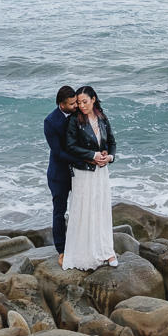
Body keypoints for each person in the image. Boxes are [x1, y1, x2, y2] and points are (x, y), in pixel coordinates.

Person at [61, 85, 118, 269]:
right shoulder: (73, 121)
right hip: (83, 172)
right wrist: (92, 155)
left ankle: (107, 252)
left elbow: (111, 142)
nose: (82, 105)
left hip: (102, 171)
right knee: (84, 210)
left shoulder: (102, 117)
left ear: (93, 99)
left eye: (85, 101)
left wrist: (109, 157)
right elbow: (70, 146)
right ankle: (84, 253)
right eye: (79, 102)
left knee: (101, 210)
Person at [43, 85, 79, 265]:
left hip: (80, 173)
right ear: (61, 104)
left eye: (76, 102)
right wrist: (83, 159)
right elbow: (57, 152)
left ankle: (81, 243)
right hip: (59, 174)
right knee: (59, 212)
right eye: (72, 104)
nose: (76, 106)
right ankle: (62, 250)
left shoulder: (79, 113)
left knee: (81, 209)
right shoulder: (50, 121)